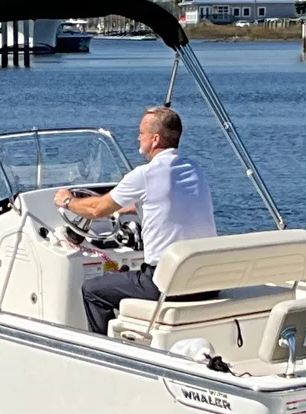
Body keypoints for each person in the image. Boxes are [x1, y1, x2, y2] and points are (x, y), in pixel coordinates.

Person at [57, 104, 215, 336]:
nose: (138, 137)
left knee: (93, 290)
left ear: (155, 139)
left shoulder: (144, 174)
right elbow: (170, 200)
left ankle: (104, 350)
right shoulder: (193, 168)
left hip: (165, 283)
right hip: (204, 282)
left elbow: (95, 209)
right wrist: (130, 209)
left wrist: (67, 201)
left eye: (141, 133)